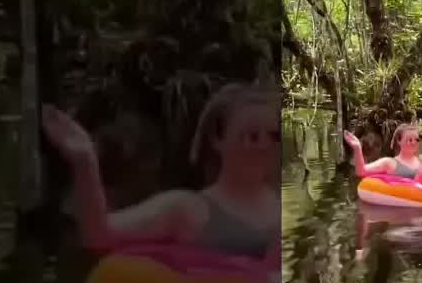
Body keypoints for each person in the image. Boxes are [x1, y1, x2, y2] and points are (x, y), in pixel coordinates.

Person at [44, 83, 277, 259]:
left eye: (274, 136)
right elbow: (100, 235)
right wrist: (85, 161)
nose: (264, 146)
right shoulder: (186, 210)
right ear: (218, 138)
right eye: (252, 137)